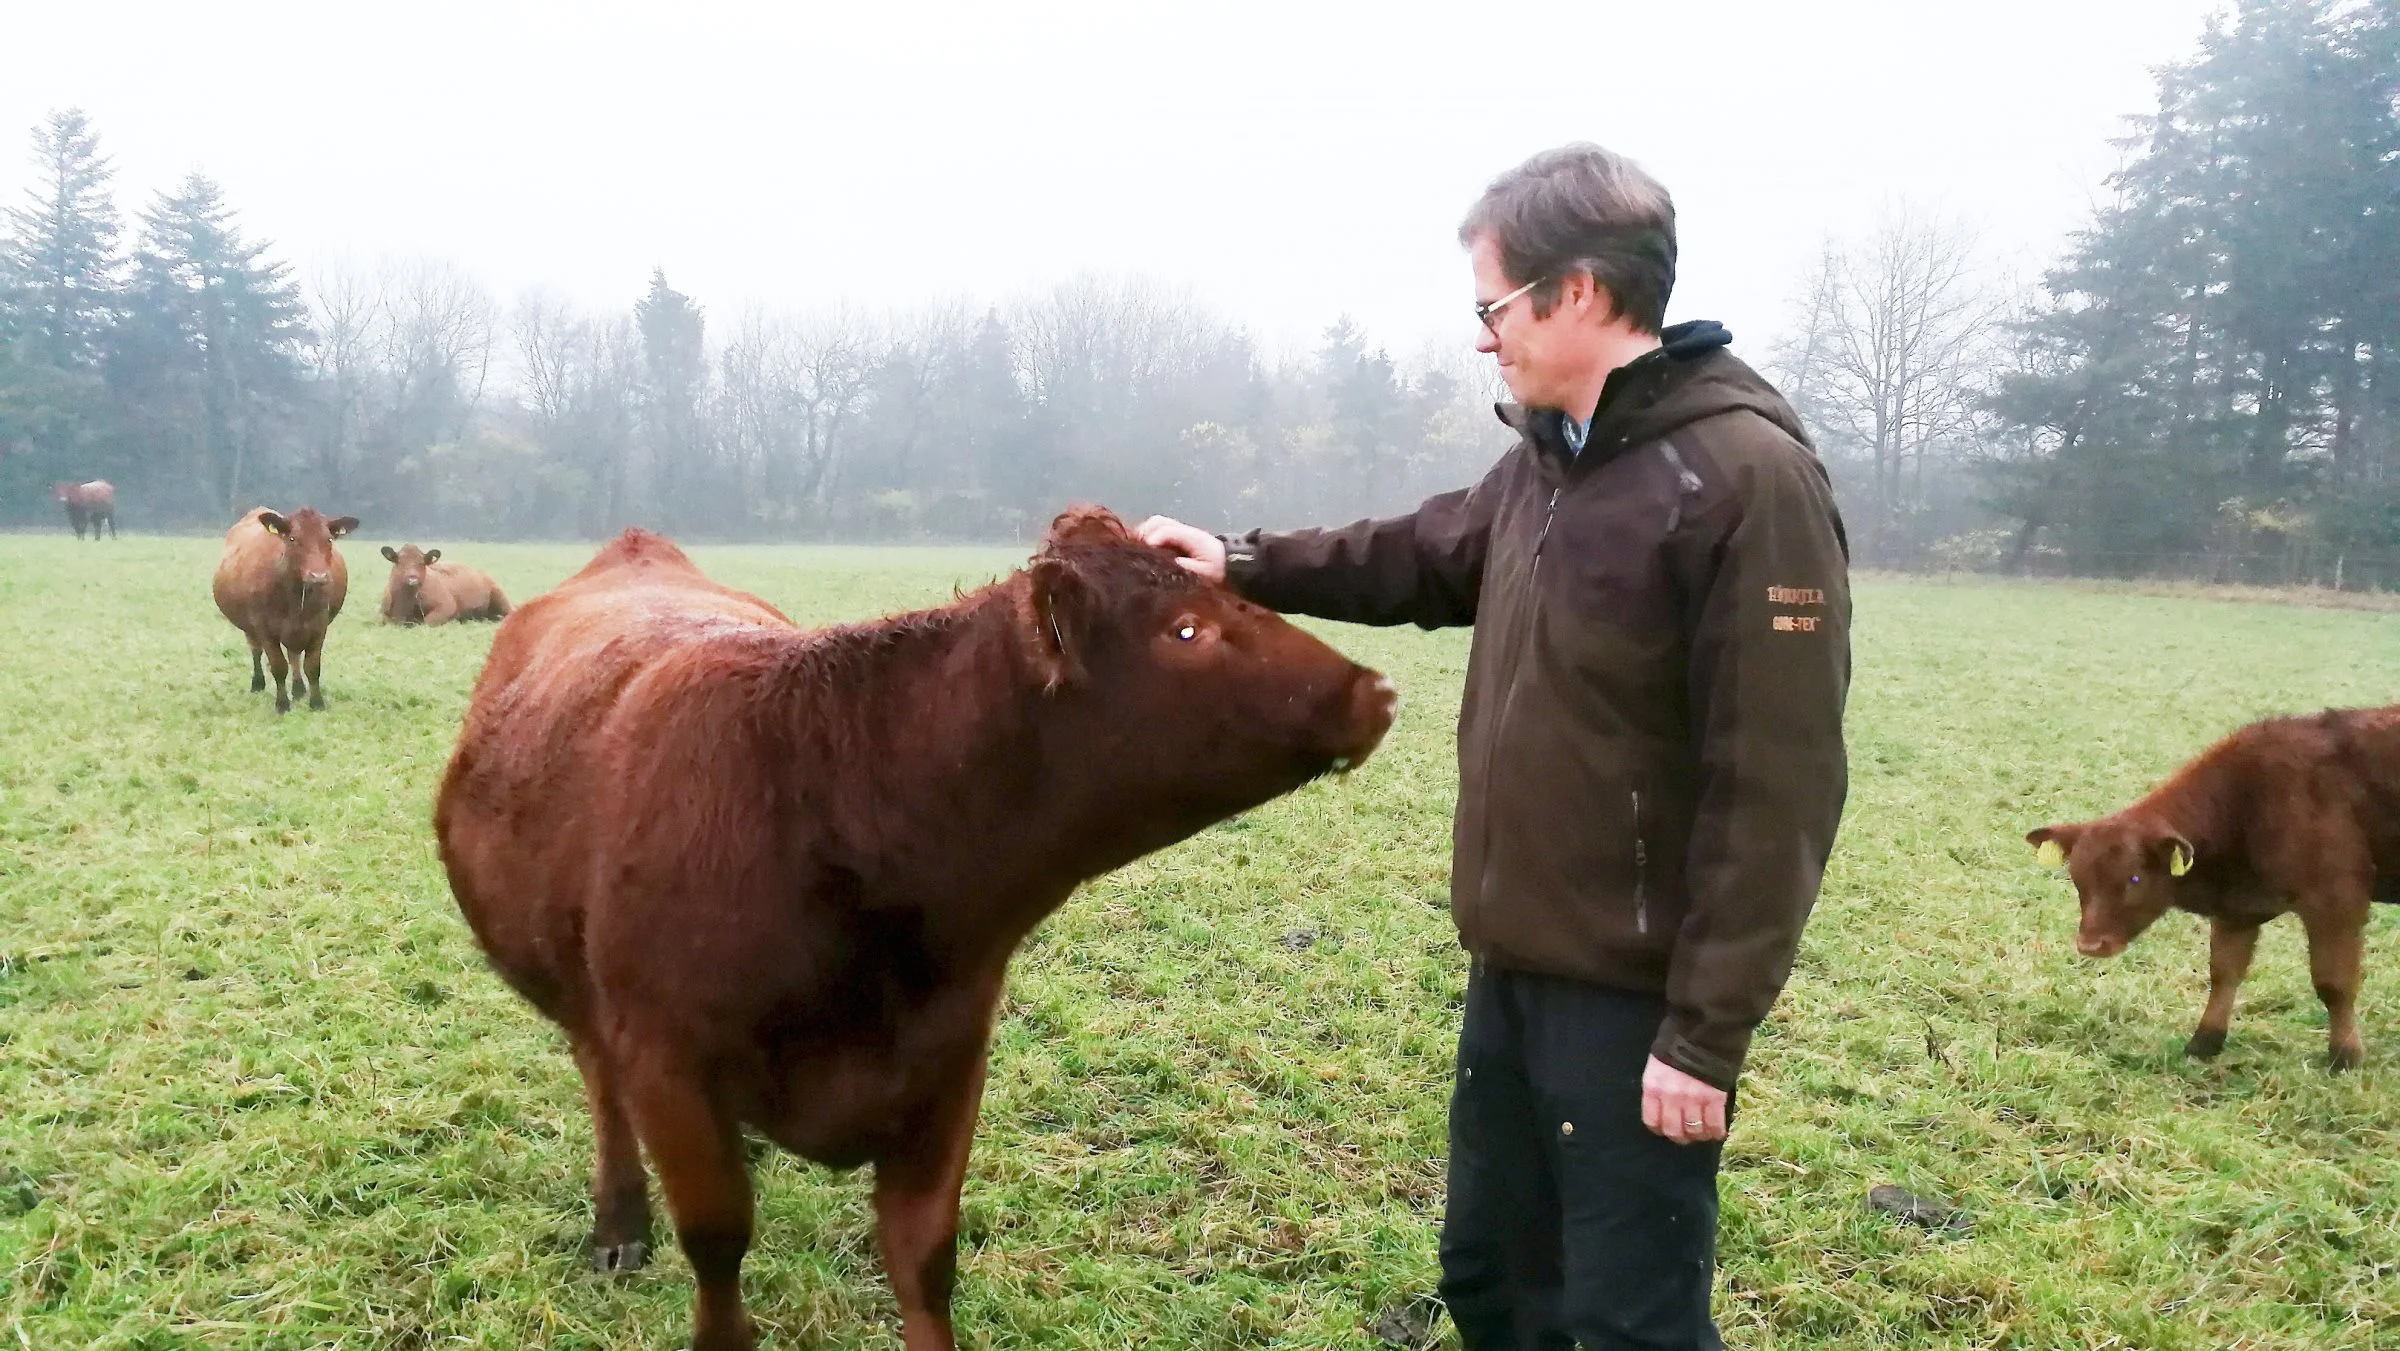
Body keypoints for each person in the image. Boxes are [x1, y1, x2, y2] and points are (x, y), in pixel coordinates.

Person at [1139, 143, 1850, 1350]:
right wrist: (1239, 557)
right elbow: (1415, 553)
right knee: (1492, 1281)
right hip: (1513, 966)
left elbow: (1777, 788)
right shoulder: (1549, 462)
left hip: (1635, 1004)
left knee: (1631, 1321)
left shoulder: (1741, 480)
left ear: (1578, 291)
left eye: (1493, 305)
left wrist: (1704, 1037)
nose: (1482, 337)